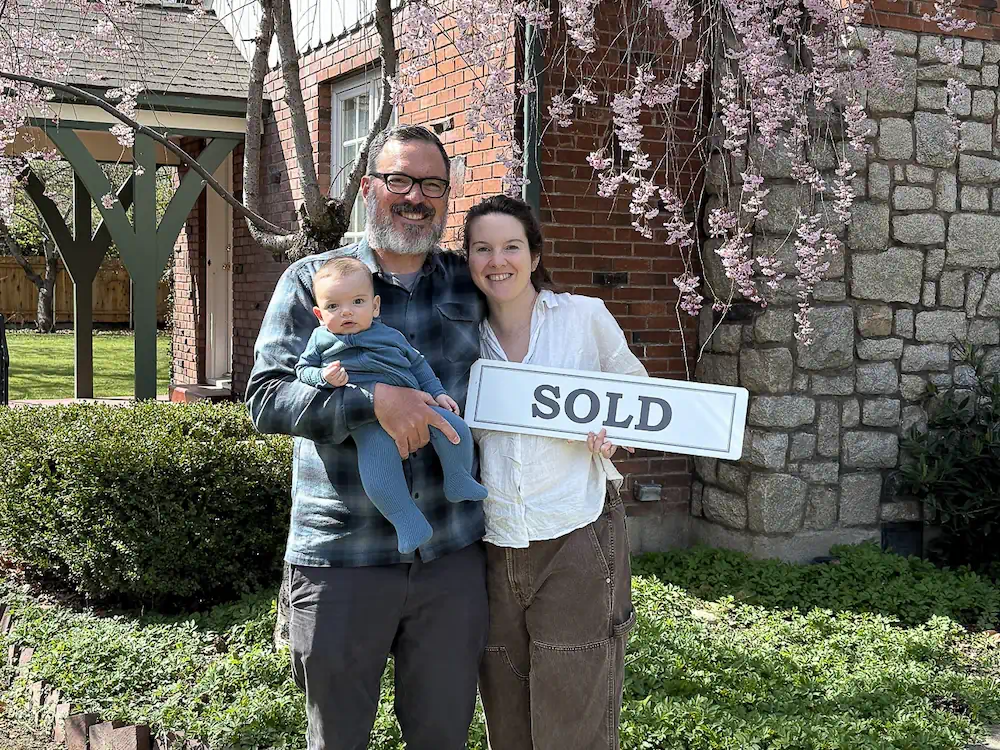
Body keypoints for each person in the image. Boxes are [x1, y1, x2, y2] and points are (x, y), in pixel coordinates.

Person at [246, 125, 488, 750]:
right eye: (399, 181)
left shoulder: (469, 282)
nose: (415, 197)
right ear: (367, 188)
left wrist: (591, 422)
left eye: (432, 184)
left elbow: (534, 349)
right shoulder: (313, 282)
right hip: (343, 557)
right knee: (338, 738)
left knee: (443, 736)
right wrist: (370, 401)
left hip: (451, 556)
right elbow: (266, 397)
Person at [464, 194, 645, 750]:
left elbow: (636, 399)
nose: (498, 261)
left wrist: (616, 434)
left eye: (511, 247)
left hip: (576, 532)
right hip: (491, 543)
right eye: (483, 249)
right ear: (468, 259)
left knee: (574, 717)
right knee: (505, 714)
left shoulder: (584, 318)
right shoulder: (461, 337)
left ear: (535, 255)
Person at [295, 256, 487, 554]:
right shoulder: (321, 340)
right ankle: (406, 520)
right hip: (364, 419)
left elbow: (419, 364)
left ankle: (458, 478)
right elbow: (302, 370)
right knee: (379, 465)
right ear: (319, 314)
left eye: (357, 302)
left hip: (417, 404)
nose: (346, 312)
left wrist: (437, 393)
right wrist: (322, 376)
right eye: (333, 306)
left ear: (375, 306)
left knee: (455, 429)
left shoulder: (390, 335)